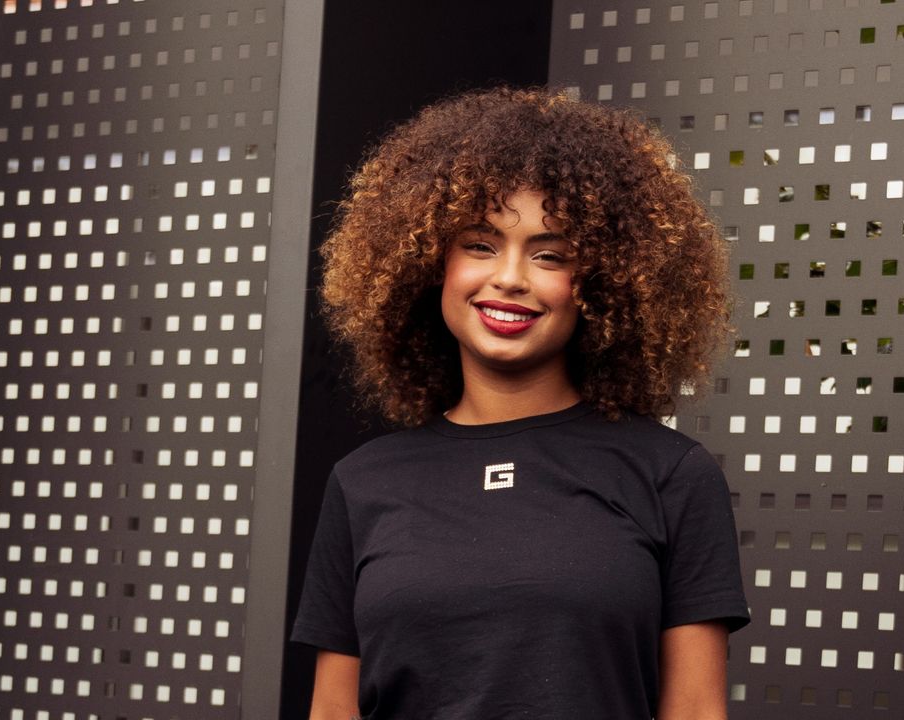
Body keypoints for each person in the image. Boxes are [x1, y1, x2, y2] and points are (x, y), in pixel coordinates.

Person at [292, 87, 750, 720]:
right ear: (430, 264)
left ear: (605, 283)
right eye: (480, 244)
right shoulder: (363, 483)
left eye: (550, 255)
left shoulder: (670, 475)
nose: (509, 277)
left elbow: (696, 712)